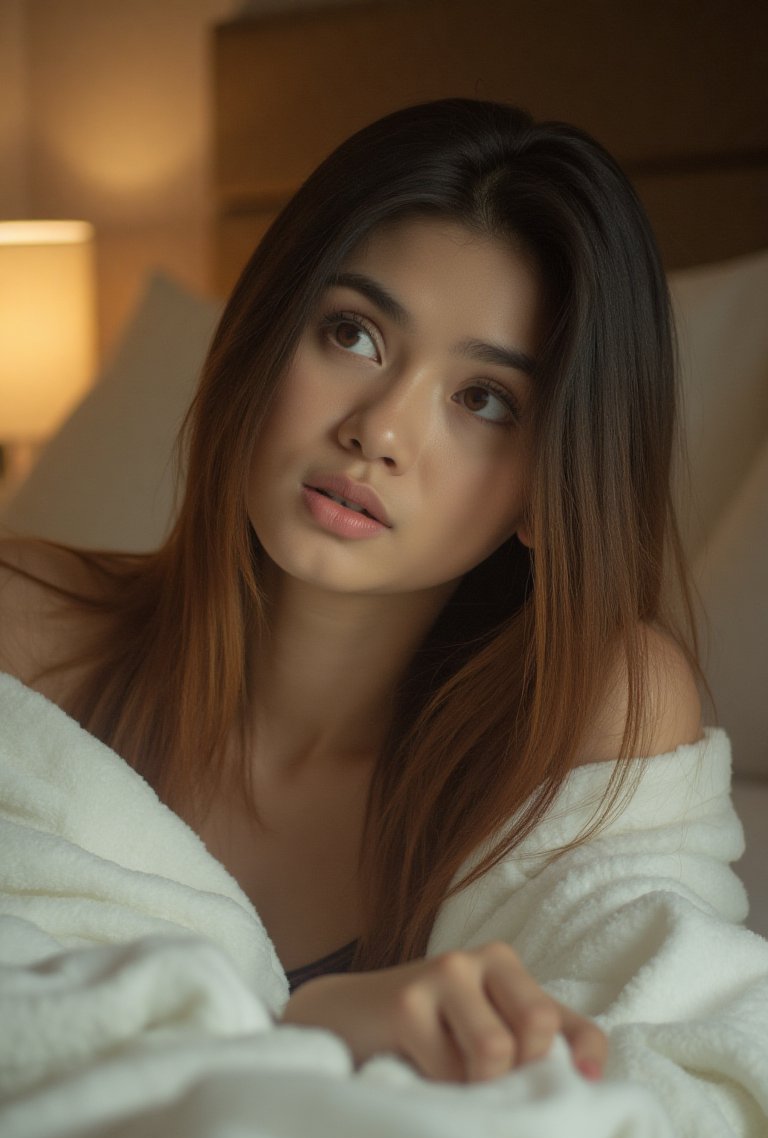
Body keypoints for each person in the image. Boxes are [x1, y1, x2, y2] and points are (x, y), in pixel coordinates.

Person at [0, 98, 702, 1087]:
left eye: (485, 400)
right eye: (354, 334)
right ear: (259, 340)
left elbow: (649, 1079)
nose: (379, 430)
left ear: (550, 489)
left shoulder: (591, 708)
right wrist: (312, 1029)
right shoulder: (23, 639)